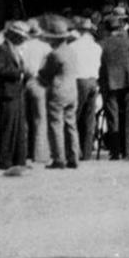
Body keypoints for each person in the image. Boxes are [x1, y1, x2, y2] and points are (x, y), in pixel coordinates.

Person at [39, 16, 81, 169]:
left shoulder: (54, 54)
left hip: (58, 90)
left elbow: (44, 73)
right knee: (71, 124)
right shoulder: (71, 51)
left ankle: (59, 158)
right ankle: (74, 157)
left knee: (56, 124)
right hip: (72, 90)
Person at [99, 14, 129, 160]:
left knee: (113, 118)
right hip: (128, 82)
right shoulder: (126, 42)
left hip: (110, 83)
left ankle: (115, 151)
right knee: (128, 118)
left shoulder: (103, 43)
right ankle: (127, 150)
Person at [0, 20, 30, 172]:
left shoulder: (16, 49)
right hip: (7, 91)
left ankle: (19, 159)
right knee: (8, 126)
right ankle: (6, 160)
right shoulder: (1, 49)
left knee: (19, 127)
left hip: (17, 91)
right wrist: (20, 73)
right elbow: (0, 70)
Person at [19, 19, 53, 163]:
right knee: (40, 118)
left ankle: (25, 151)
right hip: (39, 81)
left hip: (25, 81)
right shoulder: (46, 47)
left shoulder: (23, 46)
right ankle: (40, 154)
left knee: (25, 119)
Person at [71, 17, 103, 161]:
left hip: (79, 80)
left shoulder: (73, 46)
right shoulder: (97, 47)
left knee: (75, 117)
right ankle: (87, 152)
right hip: (93, 81)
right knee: (90, 119)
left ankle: (74, 149)